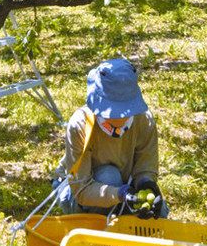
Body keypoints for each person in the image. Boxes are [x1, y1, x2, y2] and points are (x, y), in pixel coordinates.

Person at [57, 57, 167, 218]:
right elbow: (81, 189)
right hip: (81, 193)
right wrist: (120, 194)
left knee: (158, 212)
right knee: (109, 175)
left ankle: (123, 216)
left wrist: (146, 184)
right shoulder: (81, 125)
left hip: (123, 186)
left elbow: (145, 168)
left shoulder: (143, 120)